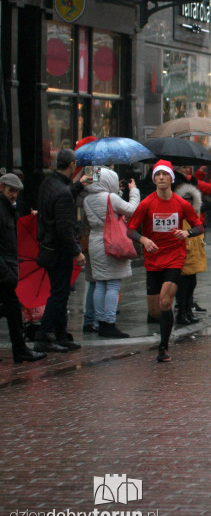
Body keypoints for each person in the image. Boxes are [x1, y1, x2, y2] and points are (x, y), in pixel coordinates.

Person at [127, 161, 205, 362]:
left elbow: (199, 226)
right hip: (153, 258)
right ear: (154, 179)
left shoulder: (181, 203)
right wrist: (144, 240)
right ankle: (165, 327)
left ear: (171, 178)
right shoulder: (146, 203)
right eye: (157, 175)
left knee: (165, 301)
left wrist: (186, 232)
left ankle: (163, 346)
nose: (161, 178)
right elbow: (130, 229)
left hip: (175, 257)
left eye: (165, 174)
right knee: (155, 310)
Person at [35, 148, 89, 352]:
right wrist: (77, 251)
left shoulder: (48, 184)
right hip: (59, 251)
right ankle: (44, 335)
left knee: (60, 292)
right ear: (73, 165)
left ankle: (60, 334)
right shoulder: (63, 191)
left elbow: (59, 200)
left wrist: (77, 187)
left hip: (48, 248)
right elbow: (65, 227)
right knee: (59, 293)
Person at [81, 168, 140, 338]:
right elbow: (132, 209)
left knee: (100, 283)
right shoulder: (111, 198)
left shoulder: (88, 199)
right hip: (112, 241)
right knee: (113, 284)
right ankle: (109, 322)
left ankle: (100, 322)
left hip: (95, 242)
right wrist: (134, 191)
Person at [0, 173, 45, 362]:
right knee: (11, 309)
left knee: (10, 309)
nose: (14, 195)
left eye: (16, 192)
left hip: (7, 267)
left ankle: (20, 349)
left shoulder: (9, 208)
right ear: (1, 187)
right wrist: (7, 273)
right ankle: (20, 350)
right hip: (4, 269)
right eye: (11, 190)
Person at [172, 180, 205, 326]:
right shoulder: (178, 214)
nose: (187, 202)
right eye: (184, 199)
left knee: (191, 283)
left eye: (189, 200)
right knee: (183, 285)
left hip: (194, 251)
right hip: (183, 252)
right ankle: (182, 312)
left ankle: (188, 311)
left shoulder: (194, 213)